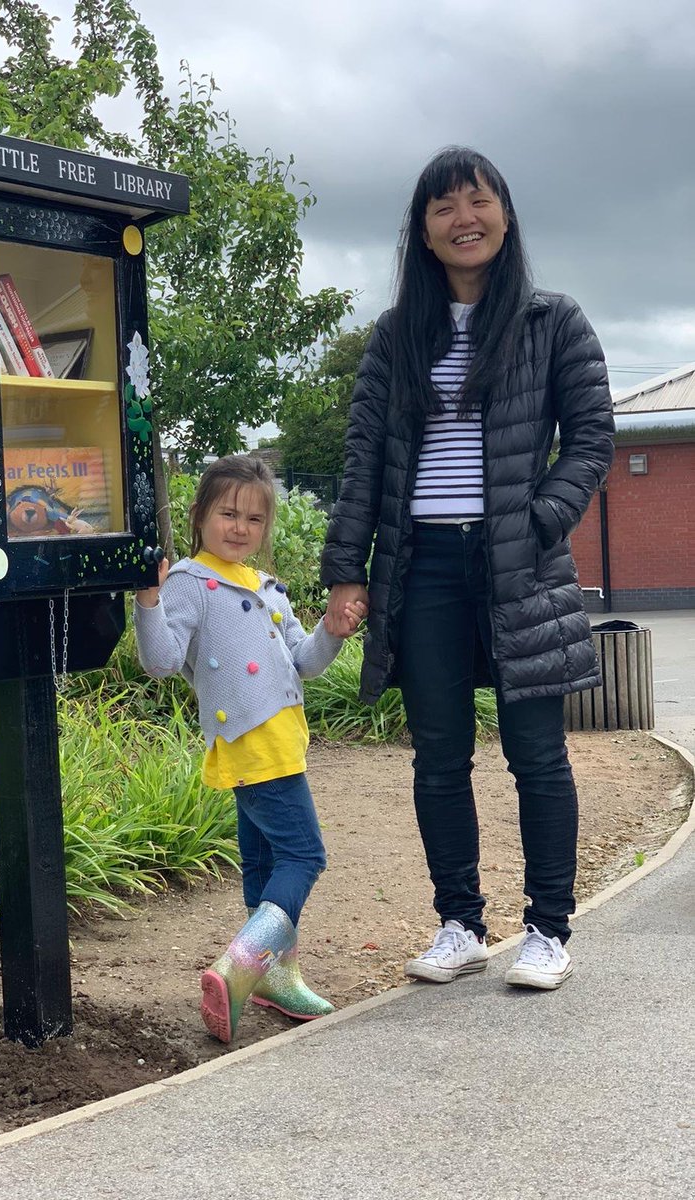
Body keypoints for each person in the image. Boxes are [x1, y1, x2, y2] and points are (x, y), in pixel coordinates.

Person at [321, 146, 615, 991]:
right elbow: (362, 458)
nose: (464, 219)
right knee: (439, 755)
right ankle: (459, 923)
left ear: (506, 215)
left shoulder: (552, 320)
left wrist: (540, 518)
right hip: (422, 567)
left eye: (478, 201)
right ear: (422, 231)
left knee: (537, 752)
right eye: (444, 207)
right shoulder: (396, 334)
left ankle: (549, 930)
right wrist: (349, 570)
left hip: (519, 562)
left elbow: (592, 439)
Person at [135, 454, 365, 1041]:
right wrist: (147, 600)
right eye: (227, 513)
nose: (239, 527)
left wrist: (332, 632)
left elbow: (304, 662)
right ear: (201, 515)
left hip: (282, 741)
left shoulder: (267, 587)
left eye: (254, 519)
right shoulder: (191, 581)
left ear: (266, 529)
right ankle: (242, 965)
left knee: (264, 864)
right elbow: (160, 660)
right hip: (252, 744)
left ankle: (277, 975)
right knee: (305, 857)